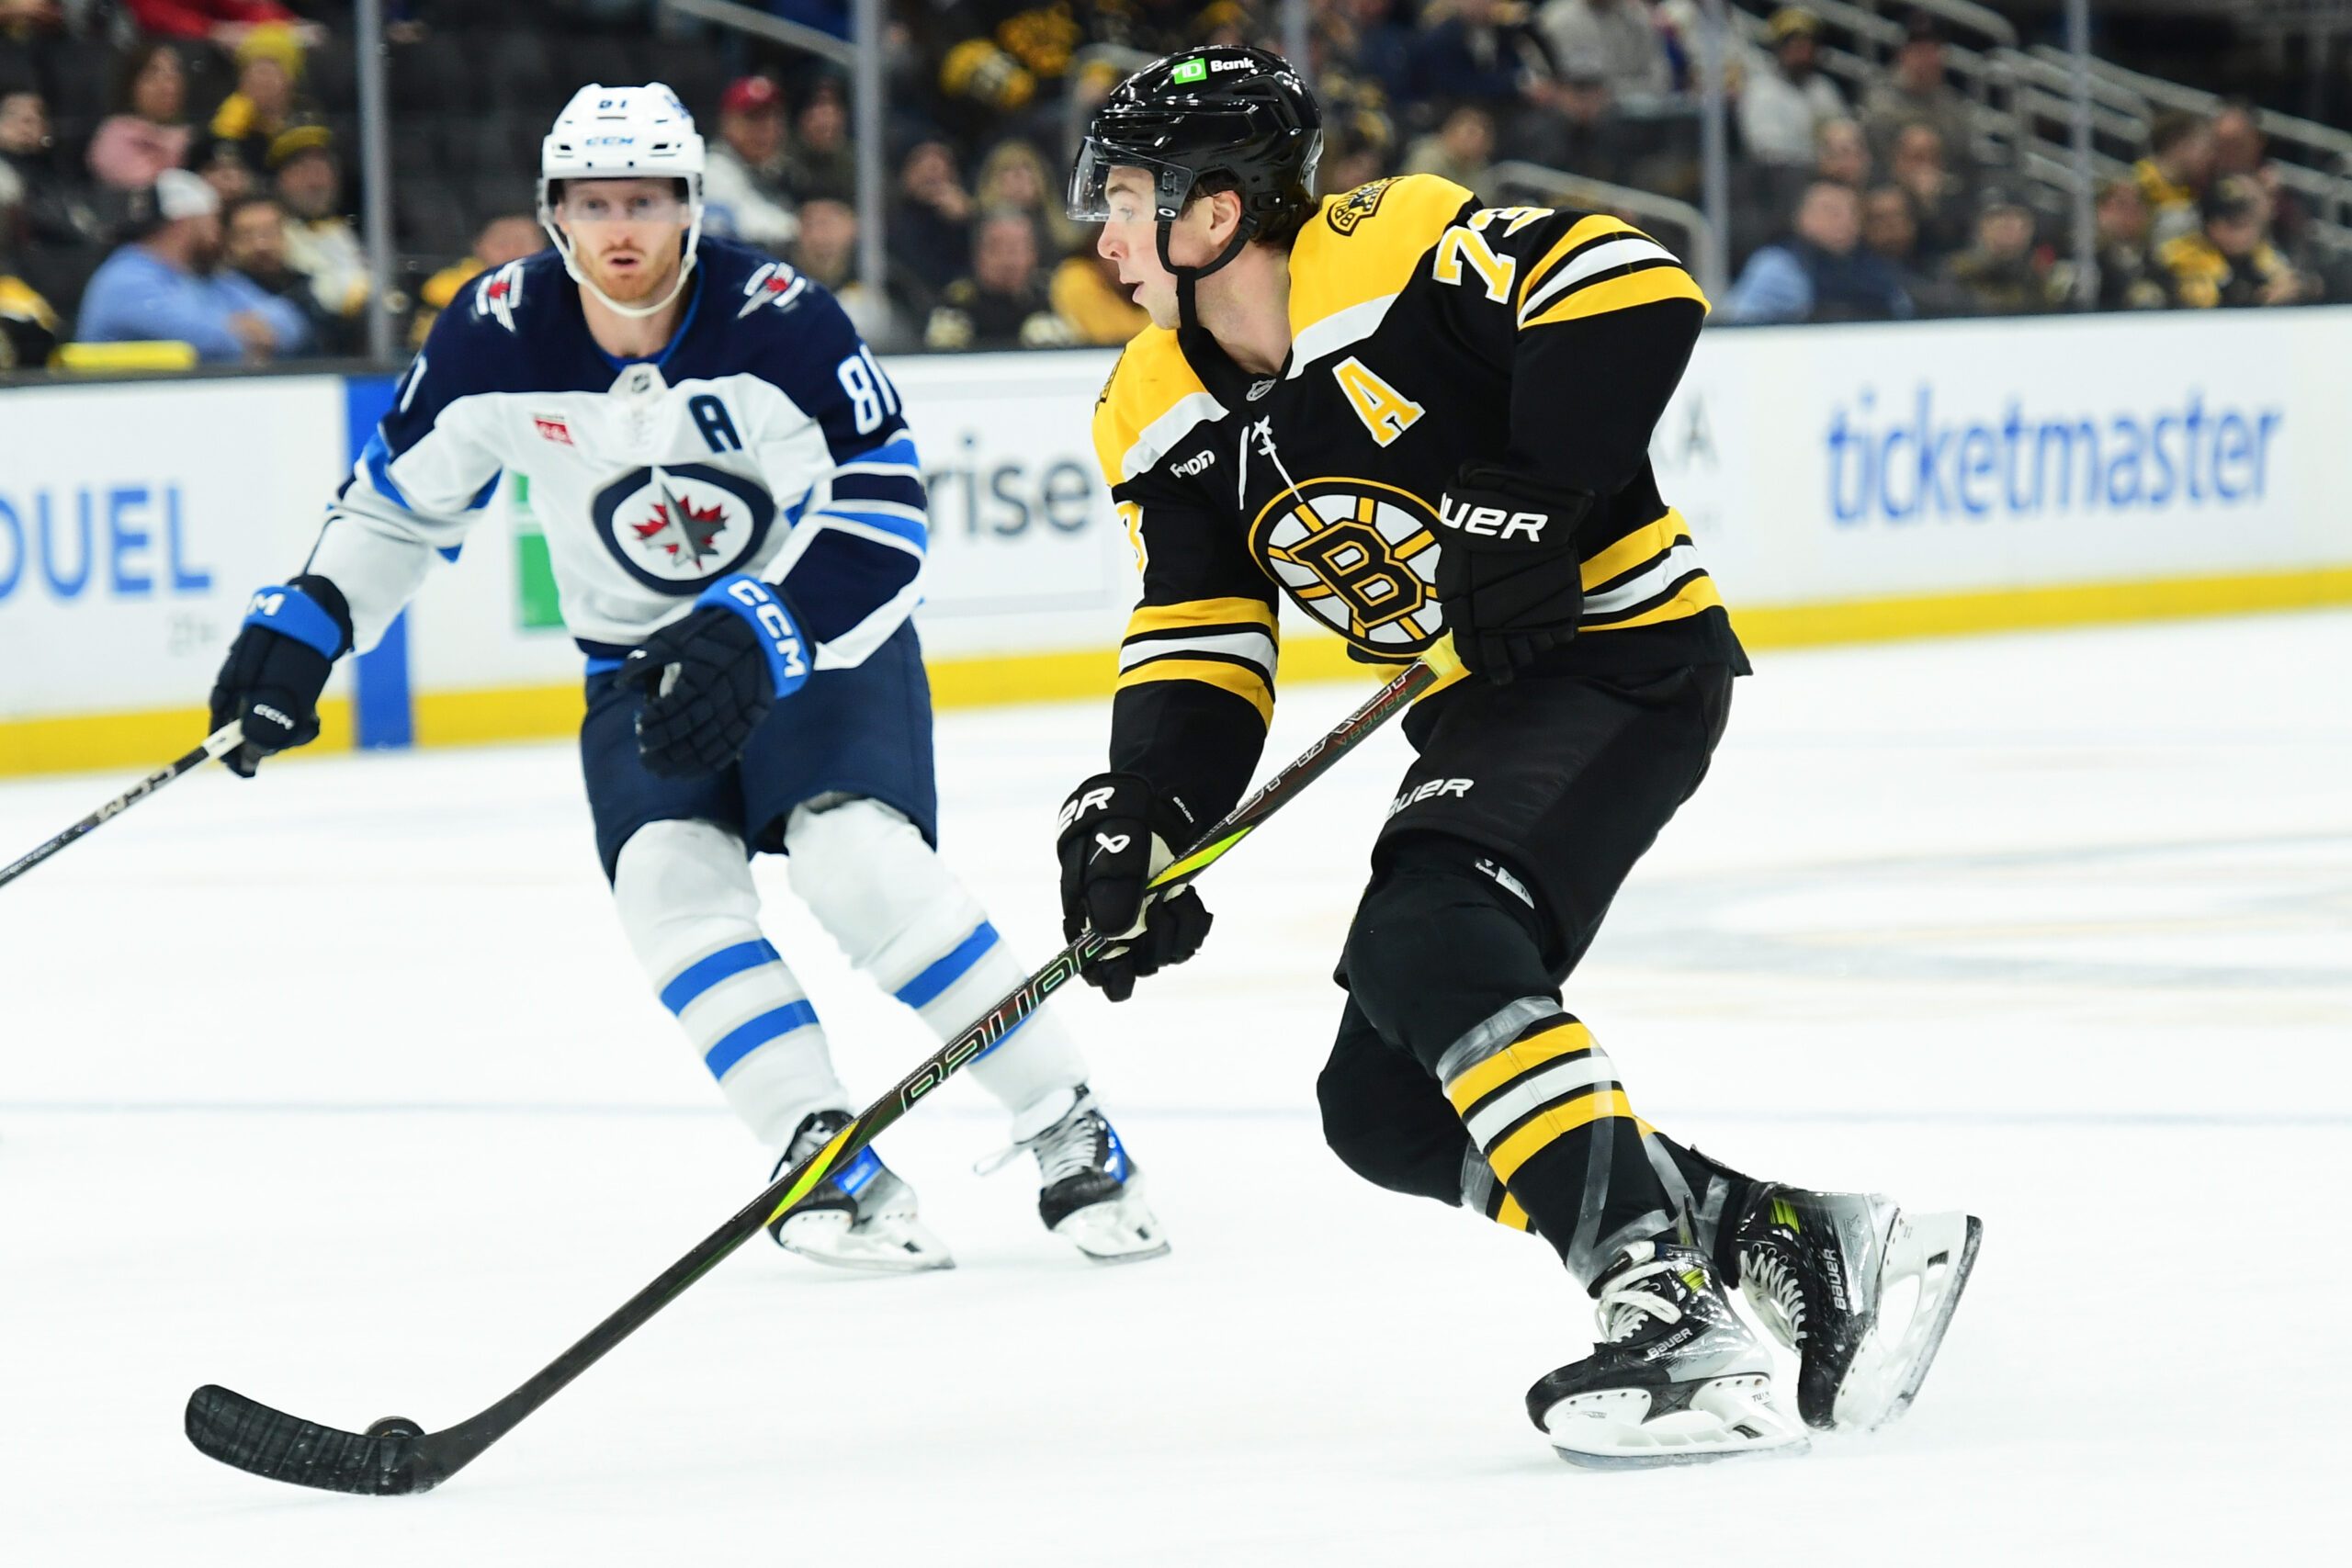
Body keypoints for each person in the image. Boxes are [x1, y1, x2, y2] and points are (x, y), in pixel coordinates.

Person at [1062, 46, 1978, 1466]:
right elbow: (1198, 638)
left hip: (1627, 657)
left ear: (1219, 211)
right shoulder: (1147, 404)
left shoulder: (1387, 245)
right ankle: (1784, 1239)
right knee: (1376, 1107)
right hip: (1487, 712)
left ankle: (1664, 1304)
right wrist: (1143, 812)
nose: (1104, 233)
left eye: (1126, 197)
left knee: (1432, 926)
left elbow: (1631, 287)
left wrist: (1536, 497)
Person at [200, 84, 1165, 1272]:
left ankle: (1066, 1117)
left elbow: (887, 509)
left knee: (854, 857)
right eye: (595, 203)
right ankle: (817, 1141)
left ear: (692, 208)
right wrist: (308, 622)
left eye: (647, 202)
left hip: (816, 644)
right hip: (637, 666)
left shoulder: (780, 318)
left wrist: (768, 625)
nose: (622, 229)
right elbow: (397, 508)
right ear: (553, 214)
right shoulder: (491, 334)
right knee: (665, 877)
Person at [74, 166, 306, 360]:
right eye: (213, 220)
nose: (218, 234)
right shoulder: (125, 279)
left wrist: (258, 331)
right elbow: (206, 342)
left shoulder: (210, 279)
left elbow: (290, 320)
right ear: (188, 222)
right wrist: (243, 331)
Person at [1723, 179, 1912, 322]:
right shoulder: (1779, 267)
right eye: (1831, 211)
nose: (1844, 220)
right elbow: (1739, 322)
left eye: (1852, 212)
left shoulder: (1876, 267)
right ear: (1802, 217)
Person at [922, 206, 1073, 349]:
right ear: (977, 254)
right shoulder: (956, 305)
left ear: (1034, 254)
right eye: (996, 248)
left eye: (1016, 248)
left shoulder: (1050, 300)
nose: (1007, 259)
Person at [2157, 175, 2312, 309]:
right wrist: (2262, 303)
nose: (2249, 233)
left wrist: (2297, 289)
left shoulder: (2262, 256)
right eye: (2237, 225)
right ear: (2212, 227)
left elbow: (2299, 281)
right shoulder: (2184, 259)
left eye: (2250, 222)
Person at [1858, 11, 1973, 177]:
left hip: (1943, 188)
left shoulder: (1951, 104)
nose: (1926, 59)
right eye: (1919, 50)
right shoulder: (1880, 100)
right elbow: (1875, 158)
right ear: (1903, 54)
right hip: (1889, 186)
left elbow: (1961, 159)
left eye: (1933, 50)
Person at [699, 73, 798, 252]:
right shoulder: (712, 170)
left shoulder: (782, 169)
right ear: (728, 122)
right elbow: (745, 225)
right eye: (753, 118)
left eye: (773, 117)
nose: (766, 128)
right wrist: (803, 228)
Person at [1738, 7, 1844, 168]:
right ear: (1779, 49)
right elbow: (1767, 150)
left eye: (1806, 45)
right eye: (1793, 45)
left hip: (1825, 173)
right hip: (1778, 179)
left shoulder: (1824, 89)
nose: (1800, 52)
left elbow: (1842, 133)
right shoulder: (1761, 90)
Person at [217, 188, 322, 353]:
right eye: (246, 235)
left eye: (269, 233)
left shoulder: (312, 289)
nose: (261, 245)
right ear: (229, 243)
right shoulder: (217, 296)